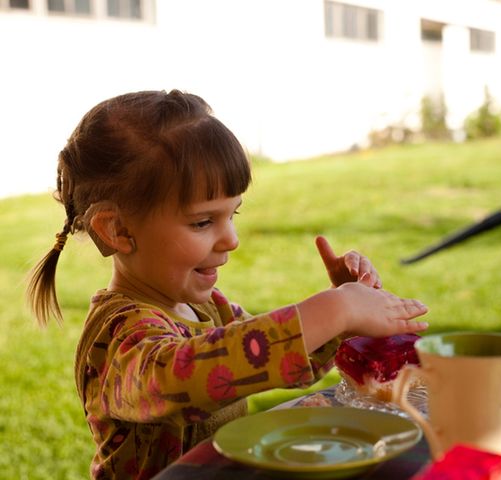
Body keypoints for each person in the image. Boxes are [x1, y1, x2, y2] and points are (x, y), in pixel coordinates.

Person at [26, 90, 429, 479]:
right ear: (116, 230)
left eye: (232, 214)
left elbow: (265, 361)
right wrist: (334, 310)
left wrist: (345, 324)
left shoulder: (209, 309)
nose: (231, 239)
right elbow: (184, 375)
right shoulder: (119, 337)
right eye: (203, 222)